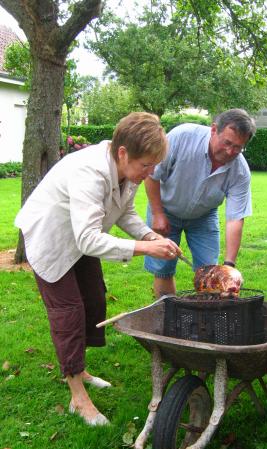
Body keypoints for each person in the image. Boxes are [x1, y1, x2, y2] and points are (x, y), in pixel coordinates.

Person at [15, 112, 181, 426]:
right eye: (146, 165)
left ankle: (82, 369)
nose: (150, 172)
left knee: (93, 301)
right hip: (51, 237)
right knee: (69, 312)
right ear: (123, 153)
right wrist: (145, 247)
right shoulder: (89, 172)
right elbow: (89, 239)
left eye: (153, 165)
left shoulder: (126, 171)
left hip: (81, 237)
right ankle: (77, 394)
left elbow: (124, 211)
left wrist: (149, 235)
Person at [144, 108, 256, 297]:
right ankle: (168, 314)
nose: (230, 151)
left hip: (204, 216)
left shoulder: (240, 171)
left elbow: (235, 218)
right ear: (214, 130)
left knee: (210, 272)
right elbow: (153, 174)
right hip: (165, 209)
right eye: (227, 142)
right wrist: (157, 213)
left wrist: (229, 266)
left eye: (238, 147)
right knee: (163, 267)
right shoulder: (182, 137)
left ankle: (206, 321)